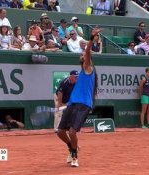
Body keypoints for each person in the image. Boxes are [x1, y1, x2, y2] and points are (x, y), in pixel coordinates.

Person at [57, 28, 100, 168]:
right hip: (72, 104)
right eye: (82, 54)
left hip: (83, 105)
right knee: (60, 132)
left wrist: (92, 37)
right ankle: (71, 146)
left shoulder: (89, 68)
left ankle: (75, 156)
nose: (82, 54)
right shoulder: (82, 72)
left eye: (84, 54)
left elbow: (87, 52)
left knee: (72, 131)